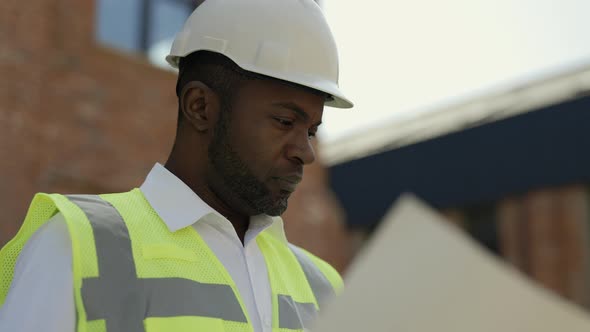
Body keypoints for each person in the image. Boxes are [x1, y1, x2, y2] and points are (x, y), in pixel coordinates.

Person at [0, 0, 353, 331]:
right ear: (199, 106)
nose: (306, 151)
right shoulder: (77, 246)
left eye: (312, 130)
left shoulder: (324, 288)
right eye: (284, 121)